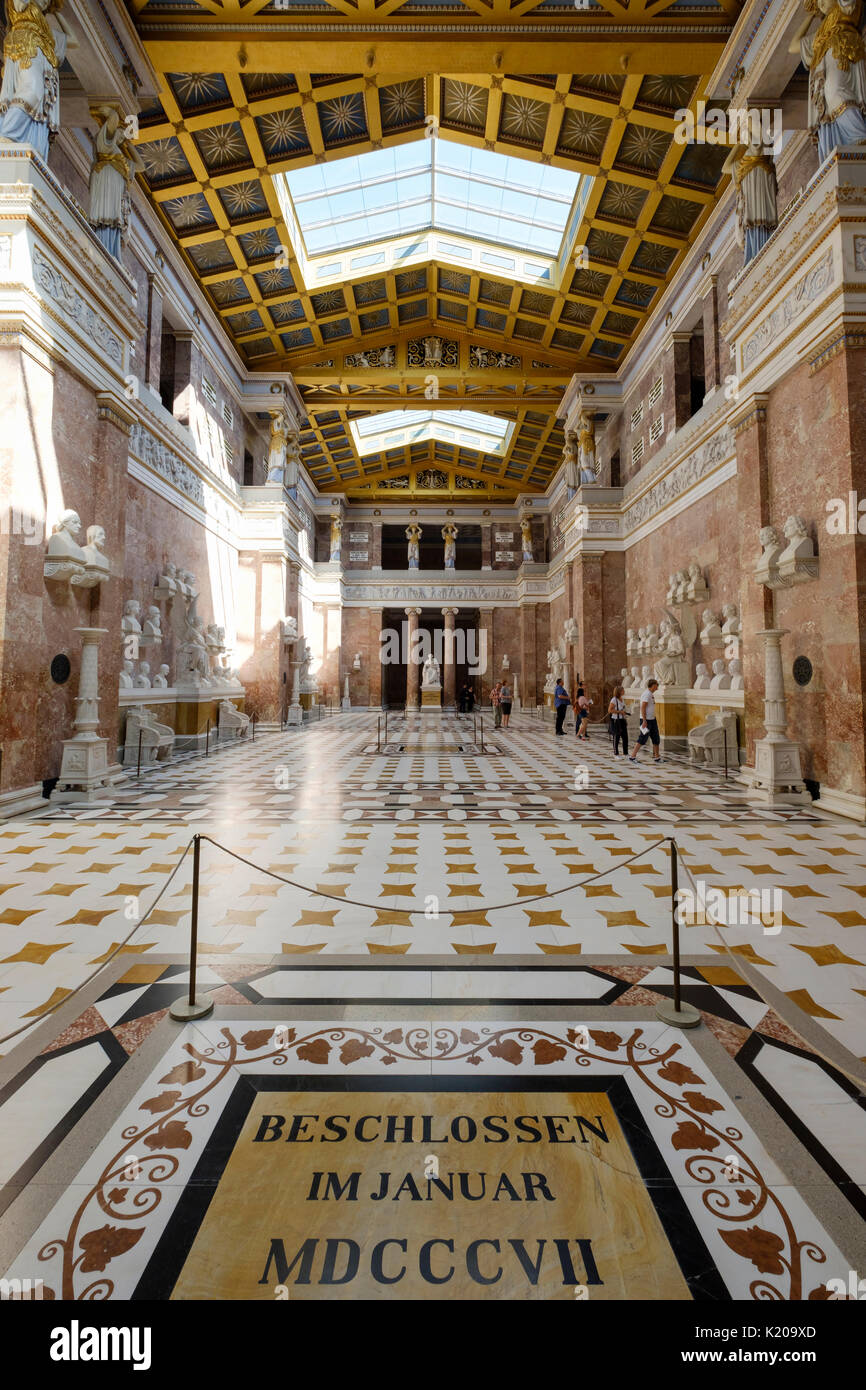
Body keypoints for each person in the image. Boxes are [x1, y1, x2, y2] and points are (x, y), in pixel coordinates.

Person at [629, 678, 661, 764]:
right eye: (656, 685)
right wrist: (644, 720)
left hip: (652, 719)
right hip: (646, 720)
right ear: (653, 685)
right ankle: (632, 756)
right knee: (642, 738)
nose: (657, 687)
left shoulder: (651, 694)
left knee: (656, 738)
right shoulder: (647, 694)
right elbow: (643, 707)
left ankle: (657, 757)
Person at [608, 685, 628, 758]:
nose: (624, 691)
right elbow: (610, 710)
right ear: (619, 691)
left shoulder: (622, 699)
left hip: (622, 720)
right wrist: (619, 712)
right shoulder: (614, 700)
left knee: (625, 737)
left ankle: (625, 753)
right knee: (617, 736)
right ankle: (616, 753)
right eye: (623, 690)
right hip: (616, 720)